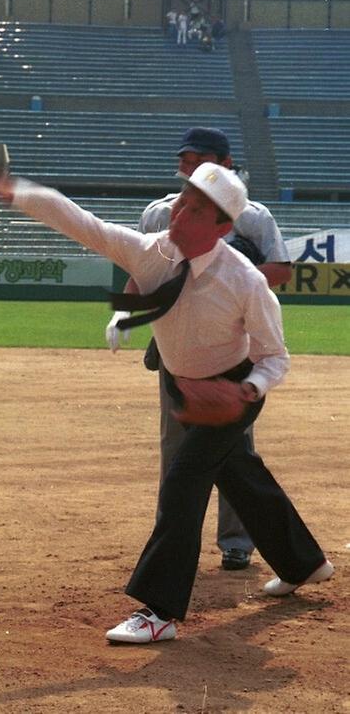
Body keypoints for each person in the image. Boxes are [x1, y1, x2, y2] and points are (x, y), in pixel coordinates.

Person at [0, 159, 333, 644]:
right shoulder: (150, 253)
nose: (180, 215)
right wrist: (9, 188)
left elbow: (275, 359)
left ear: (223, 227)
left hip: (233, 391)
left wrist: (242, 393)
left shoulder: (245, 281)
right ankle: (304, 563)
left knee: (184, 480)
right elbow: (79, 221)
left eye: (197, 211)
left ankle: (158, 611)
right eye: (182, 202)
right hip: (185, 386)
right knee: (240, 475)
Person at [106, 127, 292, 572]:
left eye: (200, 158)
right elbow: (144, 270)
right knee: (175, 444)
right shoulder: (158, 214)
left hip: (230, 345)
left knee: (233, 449)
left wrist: (220, 288)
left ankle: (236, 541)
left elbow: (280, 270)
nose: (189, 166)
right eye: (184, 160)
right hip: (175, 344)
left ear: (226, 164)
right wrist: (125, 312)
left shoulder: (253, 216)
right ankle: (169, 536)